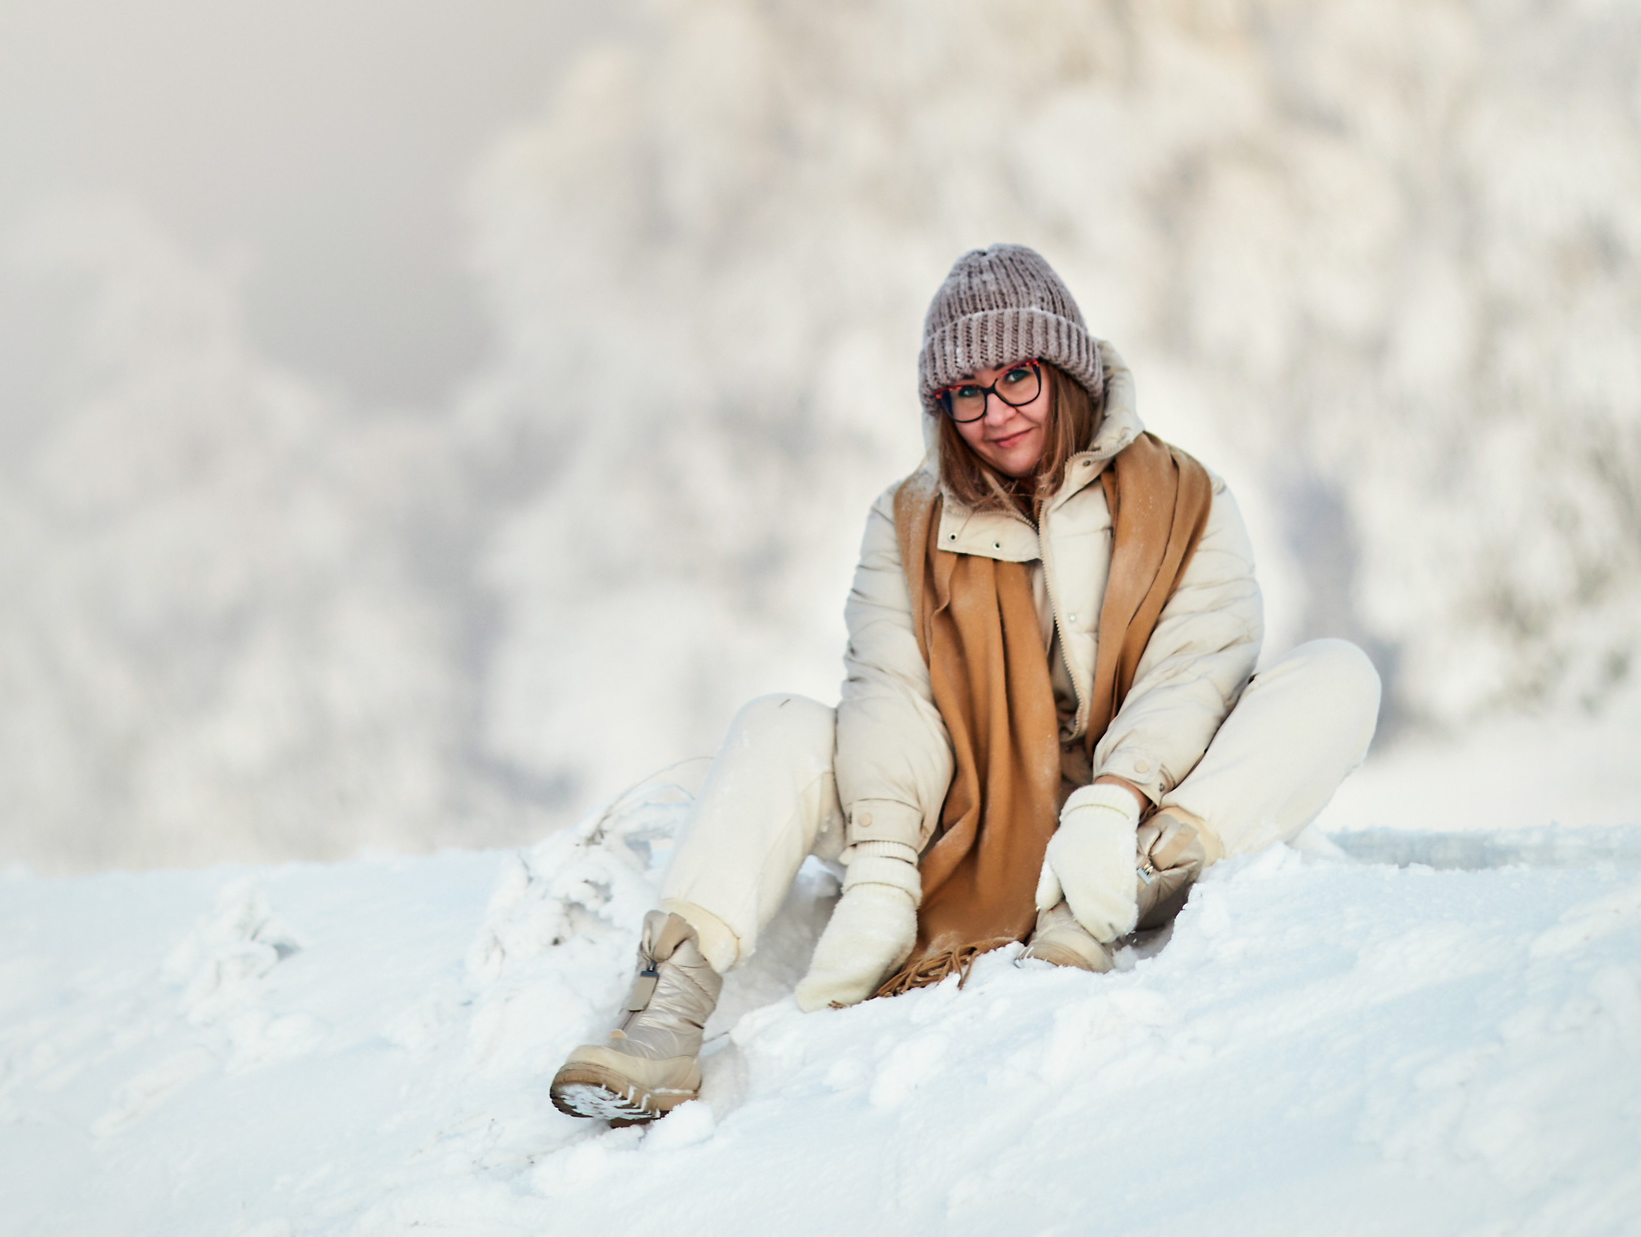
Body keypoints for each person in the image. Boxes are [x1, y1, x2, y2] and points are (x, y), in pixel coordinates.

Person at [548, 245, 1380, 1124]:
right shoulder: (907, 519)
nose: (995, 413)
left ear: (1064, 368)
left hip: (1143, 791)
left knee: (1336, 676)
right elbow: (891, 688)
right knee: (779, 722)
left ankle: (1128, 884)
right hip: (963, 813)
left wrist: (1116, 796)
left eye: (1016, 375)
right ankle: (665, 1012)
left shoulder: (1186, 495)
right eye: (966, 392)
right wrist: (880, 865)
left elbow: (1196, 665)